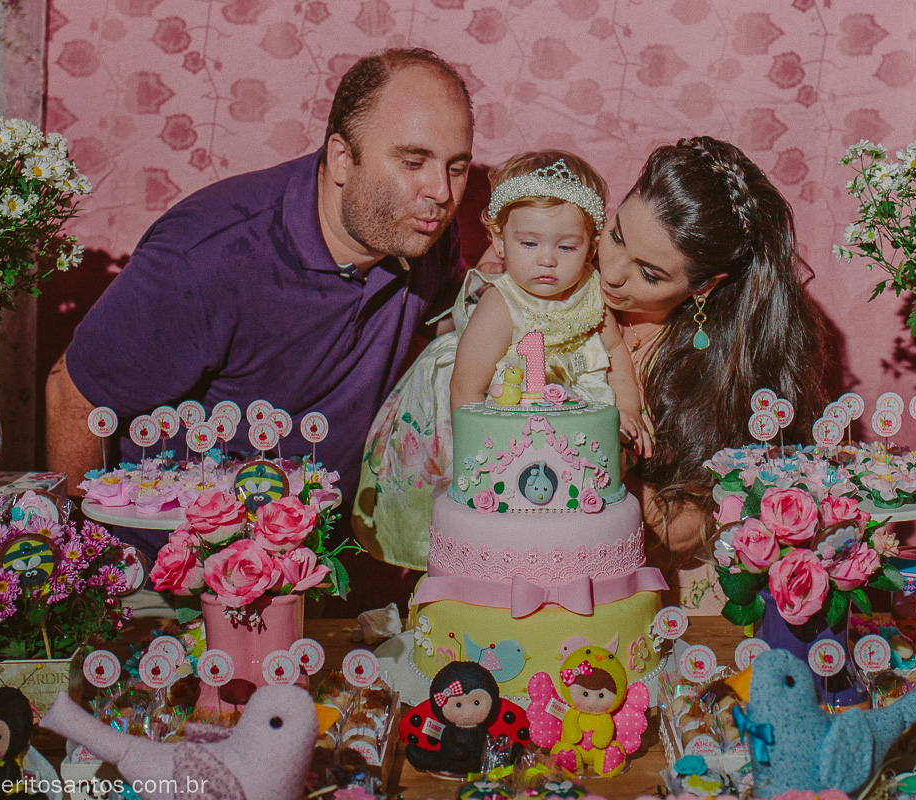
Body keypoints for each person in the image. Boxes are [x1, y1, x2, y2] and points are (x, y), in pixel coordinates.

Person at [45, 48, 474, 565]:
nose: (441, 192)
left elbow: (444, 326)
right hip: (175, 580)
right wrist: (92, 574)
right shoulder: (208, 256)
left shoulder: (420, 234)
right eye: (413, 162)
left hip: (322, 566)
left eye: (457, 167)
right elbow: (73, 395)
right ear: (342, 158)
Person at [354, 150, 647, 570]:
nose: (547, 259)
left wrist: (627, 407)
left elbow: (616, 350)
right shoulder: (501, 305)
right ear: (499, 240)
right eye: (529, 244)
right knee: (501, 519)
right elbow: (466, 387)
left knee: (577, 518)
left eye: (567, 246)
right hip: (503, 412)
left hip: (574, 411)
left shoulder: (592, 293)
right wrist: (473, 459)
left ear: (591, 246)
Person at [596, 136, 828, 593]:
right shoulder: (562, 277)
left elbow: (680, 530)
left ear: (704, 286)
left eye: (650, 273)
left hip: (653, 595)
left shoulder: (720, 372)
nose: (613, 271)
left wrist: (591, 451)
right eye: (616, 234)